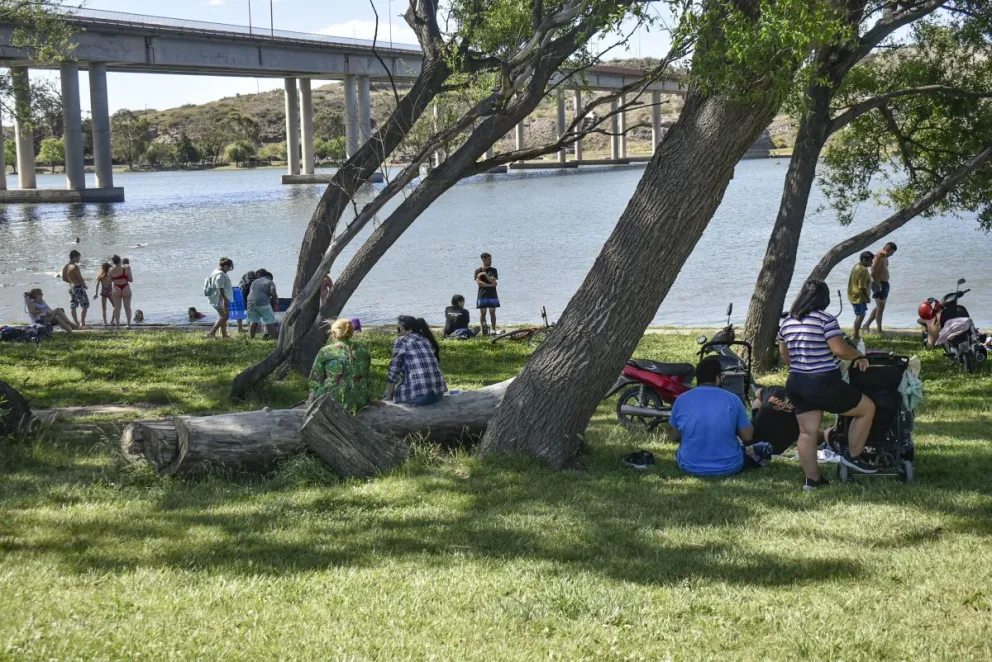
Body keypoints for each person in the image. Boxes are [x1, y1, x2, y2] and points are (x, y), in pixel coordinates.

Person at [778, 279, 877, 490]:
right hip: (823, 382)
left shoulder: (787, 322)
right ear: (824, 299)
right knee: (866, 409)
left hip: (796, 382)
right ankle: (854, 456)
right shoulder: (825, 320)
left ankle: (813, 480)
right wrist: (858, 354)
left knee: (807, 432)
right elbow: (840, 349)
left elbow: (785, 358)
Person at [670, 357, 770, 477]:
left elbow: (676, 436)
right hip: (730, 465)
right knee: (763, 448)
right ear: (718, 377)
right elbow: (747, 437)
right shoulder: (733, 399)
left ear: (697, 378)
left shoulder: (682, 399)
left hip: (689, 465)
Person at [308, 318, 375, 412]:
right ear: (351, 332)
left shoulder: (326, 351)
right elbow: (366, 377)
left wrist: (311, 400)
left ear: (334, 333)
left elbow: (314, 379)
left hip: (333, 401)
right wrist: (371, 398)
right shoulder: (363, 350)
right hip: (359, 401)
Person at [386, 316, 447, 406]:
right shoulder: (425, 340)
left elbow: (394, 370)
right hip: (438, 393)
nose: (398, 333)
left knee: (387, 393)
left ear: (410, 330)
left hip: (421, 397)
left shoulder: (402, 341)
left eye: (399, 329)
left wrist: (388, 395)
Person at [865, 242, 897, 334]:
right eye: (892, 252)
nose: (892, 255)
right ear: (889, 249)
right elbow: (873, 272)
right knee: (880, 308)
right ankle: (879, 330)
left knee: (879, 307)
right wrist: (879, 285)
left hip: (885, 283)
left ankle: (866, 324)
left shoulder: (885, 257)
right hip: (878, 284)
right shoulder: (879, 256)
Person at [204, 257, 235, 339]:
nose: (229, 270)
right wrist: (224, 299)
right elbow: (219, 287)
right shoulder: (220, 275)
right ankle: (211, 333)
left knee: (224, 316)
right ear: (225, 266)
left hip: (217, 298)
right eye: (229, 267)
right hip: (219, 299)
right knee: (224, 317)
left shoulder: (216, 271)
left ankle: (224, 335)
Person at [847, 251, 873, 343]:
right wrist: (867, 297)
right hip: (859, 296)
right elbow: (862, 287)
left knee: (861, 315)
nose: (872, 263)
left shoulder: (857, 266)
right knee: (860, 316)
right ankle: (855, 335)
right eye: (870, 261)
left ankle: (855, 334)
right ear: (864, 260)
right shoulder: (863, 271)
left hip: (852, 294)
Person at [246, 269, 279, 340]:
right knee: (270, 320)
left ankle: (251, 338)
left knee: (254, 321)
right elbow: (273, 293)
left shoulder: (254, 282)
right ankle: (273, 338)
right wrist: (276, 301)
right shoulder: (270, 282)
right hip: (263, 303)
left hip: (250, 303)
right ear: (269, 277)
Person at [61, 249, 89, 329]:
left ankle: (76, 323)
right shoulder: (75, 267)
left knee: (73, 305)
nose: (79, 260)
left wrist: (71, 282)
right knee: (85, 304)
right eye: (78, 258)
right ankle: (83, 324)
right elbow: (80, 277)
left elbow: (63, 278)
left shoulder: (65, 267)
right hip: (78, 287)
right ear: (74, 257)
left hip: (71, 288)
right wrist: (84, 285)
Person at [475, 252, 499, 334]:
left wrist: (485, 274)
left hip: (492, 295)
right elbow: (479, 283)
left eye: (491, 259)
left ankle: (493, 329)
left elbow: (493, 280)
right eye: (489, 259)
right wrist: (491, 285)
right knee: (483, 313)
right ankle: (484, 329)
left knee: (492, 312)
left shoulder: (493, 270)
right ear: (483, 259)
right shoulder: (477, 271)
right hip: (482, 295)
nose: (490, 261)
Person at [108, 255, 133, 329]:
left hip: (116, 288)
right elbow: (131, 280)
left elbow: (109, 280)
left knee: (117, 307)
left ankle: (117, 326)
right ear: (120, 260)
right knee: (127, 307)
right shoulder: (126, 268)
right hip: (125, 287)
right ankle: (128, 325)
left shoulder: (110, 270)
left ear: (113, 262)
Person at [93, 262, 113, 326]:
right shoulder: (110, 275)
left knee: (104, 309)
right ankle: (112, 321)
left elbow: (97, 285)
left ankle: (105, 322)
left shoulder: (101, 276)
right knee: (115, 306)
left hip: (104, 292)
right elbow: (116, 283)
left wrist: (96, 294)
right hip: (109, 292)